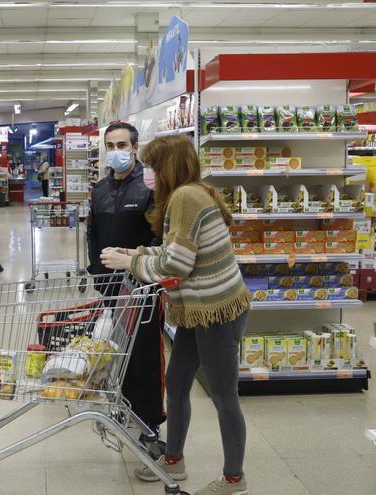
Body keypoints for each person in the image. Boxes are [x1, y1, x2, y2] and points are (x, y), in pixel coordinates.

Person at [101, 135, 251, 495]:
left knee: (223, 396)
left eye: (152, 166)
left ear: (167, 167)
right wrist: (134, 251)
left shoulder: (186, 197)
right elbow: (175, 250)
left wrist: (130, 262)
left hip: (216, 310)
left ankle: (234, 478)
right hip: (194, 310)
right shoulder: (190, 192)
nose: (147, 172)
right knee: (179, 383)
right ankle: (174, 459)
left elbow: (177, 266)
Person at [87, 121, 165, 445]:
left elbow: (158, 236)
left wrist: (142, 269)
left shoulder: (149, 187)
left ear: (135, 148)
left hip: (142, 286)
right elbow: (92, 231)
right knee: (118, 349)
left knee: (145, 355)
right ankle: (125, 404)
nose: (116, 152)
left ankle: (150, 419)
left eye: (122, 145)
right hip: (111, 286)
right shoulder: (100, 190)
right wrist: (96, 272)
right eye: (110, 146)